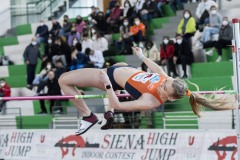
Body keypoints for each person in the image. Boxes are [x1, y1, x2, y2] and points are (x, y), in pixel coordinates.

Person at [58, 47, 235, 135]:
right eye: (165, 82)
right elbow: (158, 69)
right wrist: (141, 57)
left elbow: (118, 103)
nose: (161, 84)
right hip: (123, 70)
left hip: (109, 78)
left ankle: (88, 116)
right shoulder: (168, 81)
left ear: (170, 99)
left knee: (63, 80)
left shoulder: (151, 100)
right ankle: (108, 115)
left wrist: (108, 85)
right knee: (120, 64)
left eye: (164, 88)